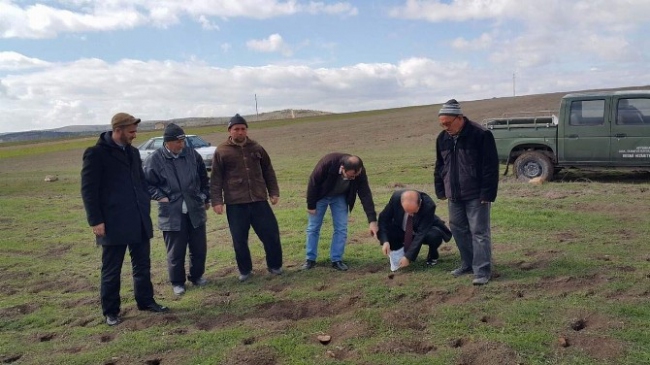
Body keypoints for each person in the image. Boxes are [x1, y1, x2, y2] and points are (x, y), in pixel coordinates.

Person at [81, 112, 169, 326]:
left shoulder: (132, 152)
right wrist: (95, 220)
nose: (134, 135)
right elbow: (88, 190)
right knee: (112, 269)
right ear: (117, 130)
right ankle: (111, 311)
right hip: (112, 222)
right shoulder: (95, 154)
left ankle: (146, 301)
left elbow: (140, 182)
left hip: (138, 218)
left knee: (142, 265)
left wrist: (149, 201)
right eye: (131, 132)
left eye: (135, 131)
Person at [210, 114, 283, 282]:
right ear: (230, 131)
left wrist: (274, 191)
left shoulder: (256, 147)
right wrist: (217, 201)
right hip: (236, 203)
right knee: (239, 239)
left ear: (246, 130)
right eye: (236, 129)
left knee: (271, 234)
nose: (240, 132)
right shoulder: (222, 151)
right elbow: (216, 178)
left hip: (258, 200)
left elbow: (268, 170)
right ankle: (245, 271)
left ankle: (275, 266)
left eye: (243, 129)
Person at [434, 99, 499, 285]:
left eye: (448, 123)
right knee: (458, 229)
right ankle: (468, 264)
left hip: (476, 194)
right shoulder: (442, 138)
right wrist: (441, 189)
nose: (445, 127)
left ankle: (482, 271)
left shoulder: (481, 134)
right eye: (442, 124)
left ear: (459, 118)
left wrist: (488, 194)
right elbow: (440, 165)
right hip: (454, 194)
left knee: (479, 232)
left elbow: (490, 167)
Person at [143, 123, 210, 296]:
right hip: (171, 211)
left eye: (183, 141)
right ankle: (177, 282)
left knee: (199, 247)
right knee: (176, 250)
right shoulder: (155, 159)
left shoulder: (191, 154)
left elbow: (203, 177)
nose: (182, 145)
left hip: (194, 208)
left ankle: (197, 276)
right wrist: (160, 196)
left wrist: (205, 196)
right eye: (178, 142)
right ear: (168, 142)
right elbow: (146, 184)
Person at [302, 153, 378, 271]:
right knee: (313, 227)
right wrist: (311, 205)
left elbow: (365, 194)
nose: (353, 179)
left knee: (341, 228)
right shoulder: (328, 162)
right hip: (321, 196)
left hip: (340, 197)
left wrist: (372, 220)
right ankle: (310, 259)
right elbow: (313, 181)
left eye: (355, 176)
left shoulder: (359, 171)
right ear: (342, 168)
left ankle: (336, 260)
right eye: (351, 176)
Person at [377, 190, 452, 271]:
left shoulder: (428, 206)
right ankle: (398, 252)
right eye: (407, 211)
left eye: (413, 212)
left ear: (420, 204)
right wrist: (385, 241)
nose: (410, 214)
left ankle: (432, 255)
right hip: (402, 229)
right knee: (388, 230)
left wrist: (408, 257)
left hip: (424, 230)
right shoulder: (396, 198)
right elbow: (383, 219)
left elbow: (421, 233)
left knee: (434, 235)